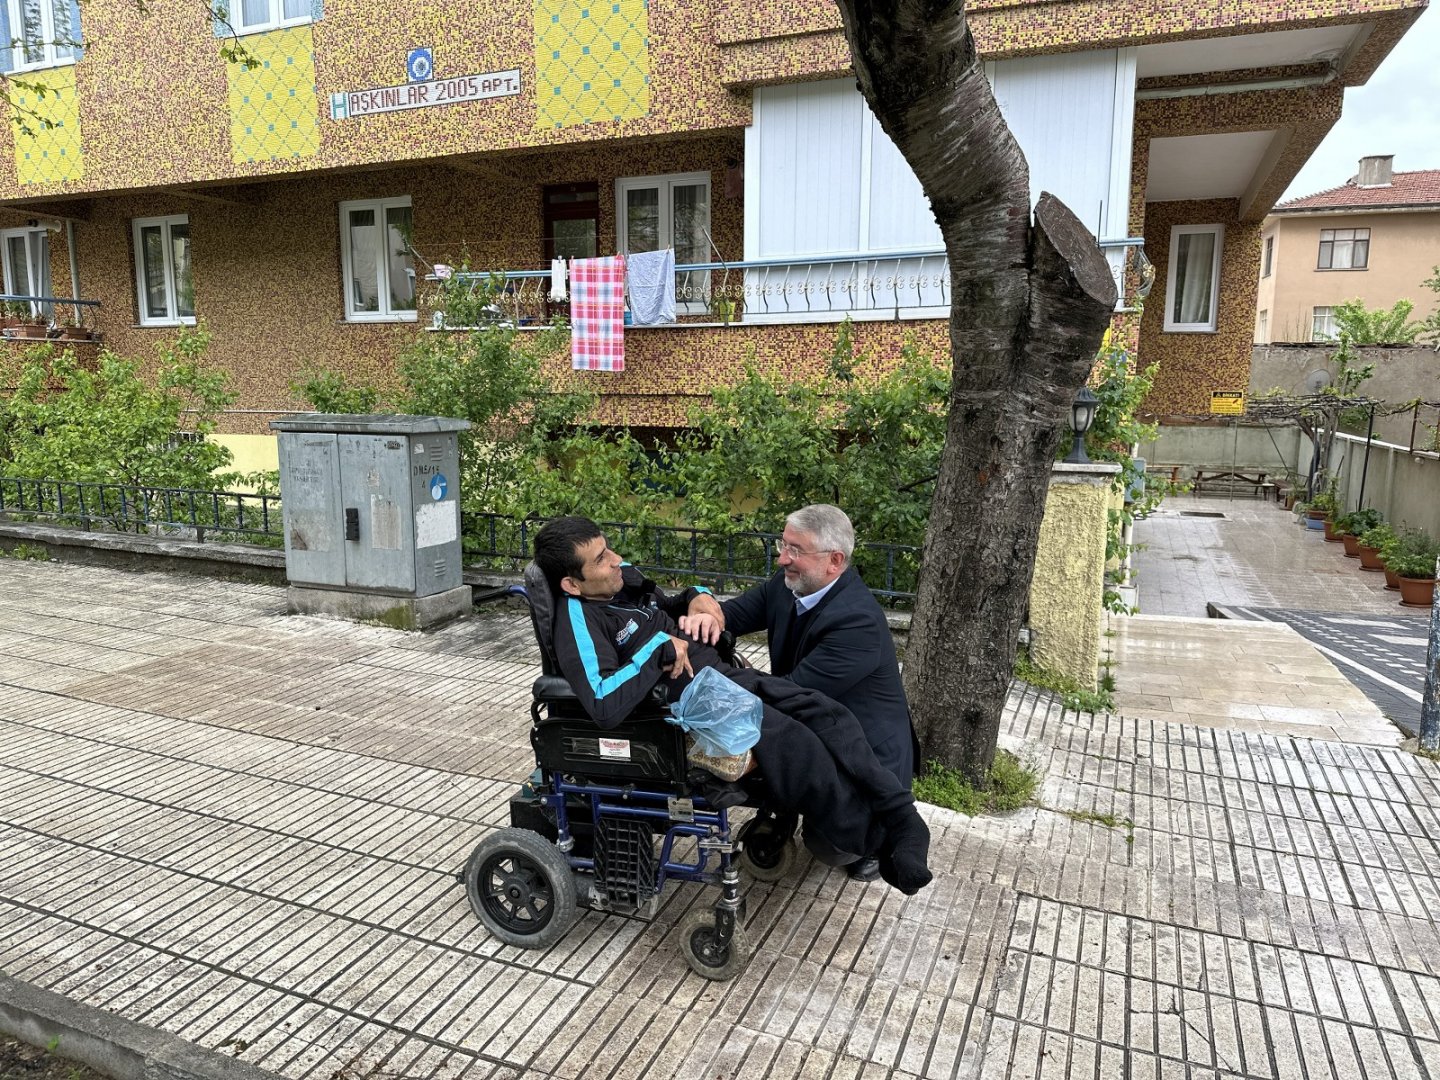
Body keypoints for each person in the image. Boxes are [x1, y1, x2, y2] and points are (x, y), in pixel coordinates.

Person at [533, 515, 932, 895]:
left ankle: (903, 817)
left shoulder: (621, 580)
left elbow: (675, 600)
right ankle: (880, 847)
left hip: (722, 675)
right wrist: (657, 652)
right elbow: (602, 699)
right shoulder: (578, 621)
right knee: (797, 743)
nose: (616, 559)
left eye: (609, 548)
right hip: (694, 701)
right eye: (601, 558)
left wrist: (698, 598)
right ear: (571, 584)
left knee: (824, 711)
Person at [719, 505, 920, 881]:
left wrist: (726, 677)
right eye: (783, 545)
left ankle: (874, 841)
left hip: (865, 755)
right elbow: (730, 614)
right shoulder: (788, 585)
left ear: (834, 561)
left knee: (826, 844)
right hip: (820, 728)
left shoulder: (856, 622)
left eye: (795, 550)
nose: (782, 558)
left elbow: (791, 694)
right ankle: (794, 804)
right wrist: (699, 610)